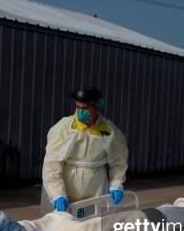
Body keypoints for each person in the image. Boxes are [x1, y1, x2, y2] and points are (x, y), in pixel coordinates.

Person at [40, 86, 128, 215]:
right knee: (60, 226)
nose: (80, 112)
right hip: (66, 184)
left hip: (95, 187)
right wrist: (57, 193)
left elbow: (119, 162)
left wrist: (116, 184)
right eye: (78, 107)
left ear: (96, 107)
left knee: (92, 225)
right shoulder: (63, 128)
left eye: (85, 108)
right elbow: (51, 164)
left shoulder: (109, 131)